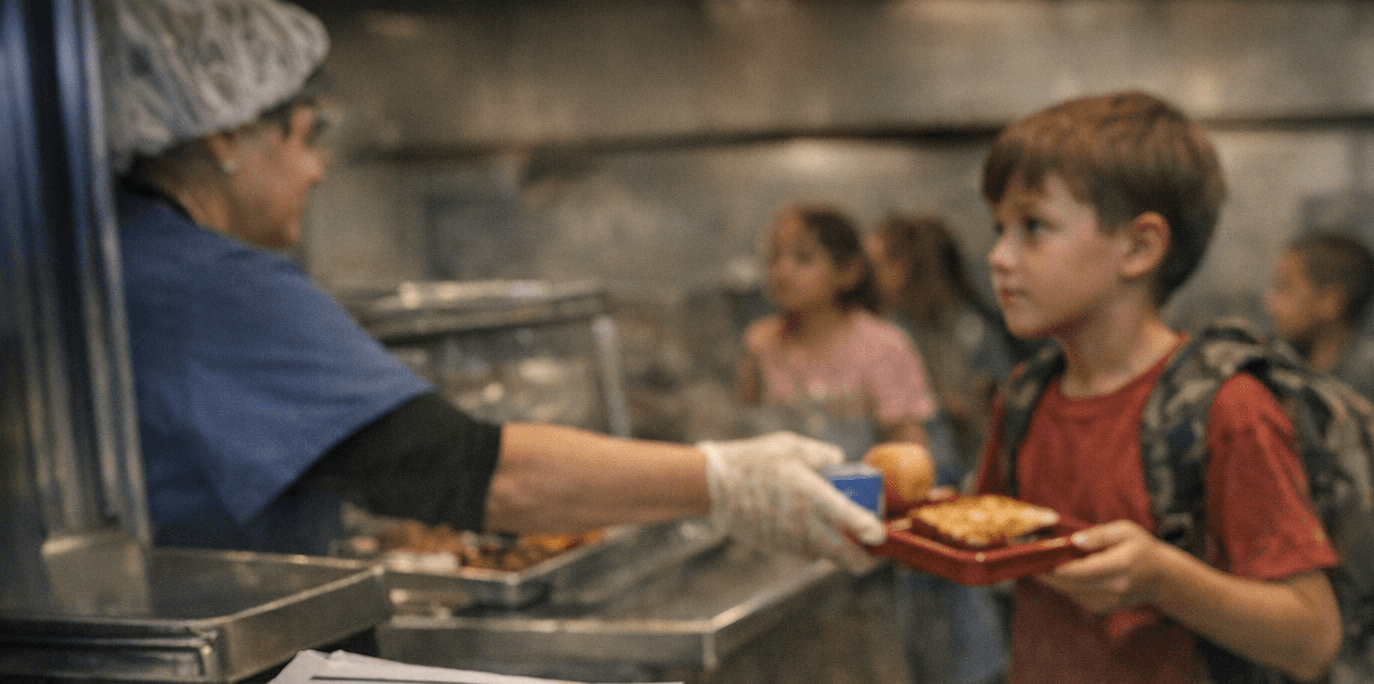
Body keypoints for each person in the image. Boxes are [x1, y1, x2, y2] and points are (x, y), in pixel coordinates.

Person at [94, 0, 883, 571]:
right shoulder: (216, 288)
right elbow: (480, 474)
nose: (318, 167)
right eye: (306, 136)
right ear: (228, 135)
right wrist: (722, 478)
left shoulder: (118, 258)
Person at [973, 91, 1343, 684]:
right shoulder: (1024, 397)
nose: (999, 256)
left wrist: (1163, 578)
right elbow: (983, 537)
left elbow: (1312, 638)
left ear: (1140, 246)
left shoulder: (1227, 411)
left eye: (1031, 227)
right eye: (997, 228)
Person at [735, 204, 935, 460]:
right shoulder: (760, 342)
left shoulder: (882, 344)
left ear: (848, 271)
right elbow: (744, 434)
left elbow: (910, 453)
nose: (782, 271)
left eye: (803, 258)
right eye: (774, 257)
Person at [1265, 231, 1374, 490]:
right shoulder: (1284, 365)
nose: (1271, 303)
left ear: (1330, 301)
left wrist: (1350, 483)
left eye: (1285, 288)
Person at [863, 214, 1016, 488]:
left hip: (966, 471)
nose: (868, 277)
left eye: (878, 265)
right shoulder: (892, 326)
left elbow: (998, 407)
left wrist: (958, 407)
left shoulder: (970, 329)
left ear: (909, 266)